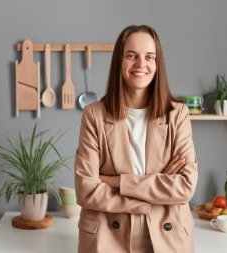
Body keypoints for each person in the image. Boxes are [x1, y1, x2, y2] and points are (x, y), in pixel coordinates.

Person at [74, 25, 198, 253]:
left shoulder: (177, 114)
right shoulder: (94, 115)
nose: (141, 64)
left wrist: (116, 181)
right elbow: (86, 190)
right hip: (107, 238)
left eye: (149, 57)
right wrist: (152, 195)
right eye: (131, 56)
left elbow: (185, 186)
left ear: (157, 64)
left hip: (168, 237)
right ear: (119, 62)